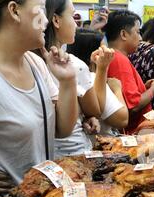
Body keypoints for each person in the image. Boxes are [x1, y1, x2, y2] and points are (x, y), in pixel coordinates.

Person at [0, 0, 78, 197]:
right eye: (41, 8)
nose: (47, 20)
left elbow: (62, 129)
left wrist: (68, 81)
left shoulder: (34, 63)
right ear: (14, 11)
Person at [43, 0, 114, 158]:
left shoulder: (33, 61)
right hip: (74, 153)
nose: (76, 25)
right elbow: (96, 109)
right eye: (72, 16)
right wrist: (102, 68)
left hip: (44, 155)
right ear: (56, 20)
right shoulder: (72, 65)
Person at [103, 10, 154, 133]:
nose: (140, 38)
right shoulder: (119, 60)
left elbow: (126, 94)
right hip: (134, 132)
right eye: (137, 32)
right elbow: (134, 106)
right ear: (123, 34)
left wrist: (143, 88)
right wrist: (153, 91)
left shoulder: (114, 56)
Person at [67, 28, 129, 134]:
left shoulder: (68, 74)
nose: (109, 52)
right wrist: (117, 89)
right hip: (101, 144)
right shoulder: (92, 78)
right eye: (104, 49)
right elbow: (122, 119)